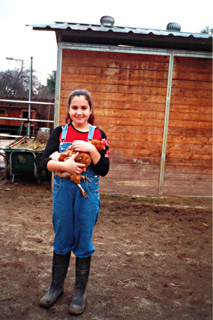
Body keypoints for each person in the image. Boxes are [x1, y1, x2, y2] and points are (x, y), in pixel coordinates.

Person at [39, 89, 109, 315]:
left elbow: (104, 169)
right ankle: (56, 288)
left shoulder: (99, 135)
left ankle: (80, 293)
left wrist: (91, 149)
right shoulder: (59, 133)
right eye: (75, 108)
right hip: (63, 196)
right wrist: (64, 166)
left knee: (83, 241)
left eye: (84, 108)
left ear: (90, 110)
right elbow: (43, 162)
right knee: (62, 238)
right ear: (69, 110)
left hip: (87, 197)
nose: (79, 112)